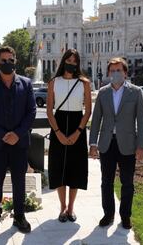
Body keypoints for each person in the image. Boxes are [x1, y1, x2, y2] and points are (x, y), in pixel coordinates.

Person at [0, 46, 36, 234]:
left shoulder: (26, 84)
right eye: (3, 60)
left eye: (10, 60)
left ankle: (19, 216)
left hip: (19, 143)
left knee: (19, 181)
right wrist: (3, 134)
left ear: (15, 61)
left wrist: (17, 134)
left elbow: (31, 112)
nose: (7, 63)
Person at [89, 57, 143, 230]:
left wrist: (141, 145)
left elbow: (141, 120)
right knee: (106, 182)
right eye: (112, 71)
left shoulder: (135, 92)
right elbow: (97, 118)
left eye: (118, 70)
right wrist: (93, 143)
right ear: (108, 73)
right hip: (107, 144)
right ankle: (108, 214)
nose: (115, 74)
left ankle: (125, 216)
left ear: (125, 73)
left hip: (128, 145)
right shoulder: (103, 92)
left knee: (127, 183)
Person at [46, 49, 91, 222]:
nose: (71, 63)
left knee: (75, 168)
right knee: (59, 168)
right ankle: (62, 207)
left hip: (76, 124)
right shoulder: (53, 82)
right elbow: (50, 111)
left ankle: (71, 208)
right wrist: (58, 133)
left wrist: (78, 132)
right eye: (68, 59)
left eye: (74, 60)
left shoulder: (84, 83)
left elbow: (88, 111)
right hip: (58, 124)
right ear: (63, 60)